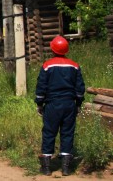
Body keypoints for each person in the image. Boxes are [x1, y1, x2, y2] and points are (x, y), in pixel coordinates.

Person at [35, 36, 85, 176]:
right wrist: (78, 104)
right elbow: (80, 88)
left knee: (49, 132)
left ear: (53, 49)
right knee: (67, 132)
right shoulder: (74, 66)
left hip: (52, 104)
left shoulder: (47, 65)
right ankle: (66, 168)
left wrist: (39, 103)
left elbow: (41, 87)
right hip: (69, 104)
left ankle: (46, 168)